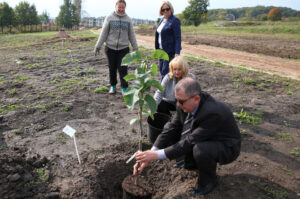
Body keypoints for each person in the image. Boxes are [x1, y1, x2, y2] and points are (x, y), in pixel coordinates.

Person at [134, 77, 241, 196]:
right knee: (176, 136)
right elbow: (171, 127)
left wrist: (156, 156)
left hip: (226, 145)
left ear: (196, 98)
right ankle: (194, 163)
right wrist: (152, 151)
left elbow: (190, 141)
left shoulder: (212, 112)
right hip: (205, 136)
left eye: (181, 101)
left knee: (201, 150)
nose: (178, 104)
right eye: (177, 100)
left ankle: (208, 181)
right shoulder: (184, 103)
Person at [94, 0, 138, 94]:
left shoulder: (128, 19)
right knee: (112, 68)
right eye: (119, 7)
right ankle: (113, 86)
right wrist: (98, 45)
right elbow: (103, 33)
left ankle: (124, 88)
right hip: (110, 48)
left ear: (125, 8)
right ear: (116, 7)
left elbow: (132, 35)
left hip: (124, 48)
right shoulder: (109, 17)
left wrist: (135, 48)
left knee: (123, 69)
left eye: (123, 7)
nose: (121, 9)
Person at [155, 1, 181, 82]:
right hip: (160, 51)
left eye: (167, 9)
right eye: (163, 10)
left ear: (171, 9)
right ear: (161, 11)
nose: (165, 11)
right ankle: (167, 90)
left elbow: (178, 37)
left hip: (169, 52)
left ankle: (161, 92)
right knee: (161, 70)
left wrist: (177, 52)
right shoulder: (162, 19)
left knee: (165, 72)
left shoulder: (174, 20)